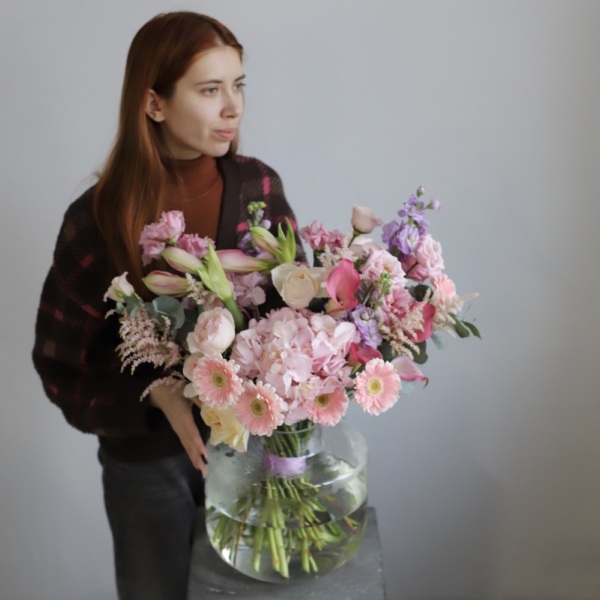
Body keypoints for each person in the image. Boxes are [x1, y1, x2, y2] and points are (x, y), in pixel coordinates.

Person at [32, 12, 303, 600]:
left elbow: (297, 325)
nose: (233, 106)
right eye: (210, 90)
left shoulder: (258, 189)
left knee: (258, 588)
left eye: (238, 85)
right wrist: (152, 392)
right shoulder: (97, 219)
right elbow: (59, 364)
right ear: (154, 103)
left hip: (252, 452)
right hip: (143, 467)